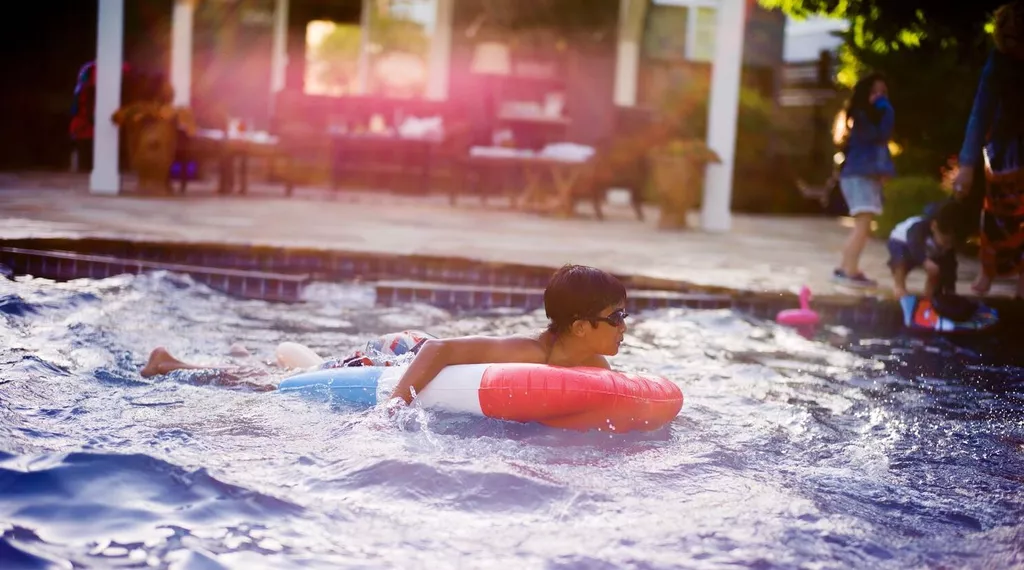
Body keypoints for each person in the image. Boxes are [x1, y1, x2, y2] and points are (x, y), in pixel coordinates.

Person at [140, 265, 630, 405]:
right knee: (276, 388)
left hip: (414, 350)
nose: (625, 327)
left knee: (298, 368)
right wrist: (396, 405)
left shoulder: (596, 366)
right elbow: (438, 349)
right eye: (618, 317)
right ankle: (173, 364)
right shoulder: (529, 352)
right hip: (402, 352)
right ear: (581, 327)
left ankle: (254, 355)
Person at [953, 0, 1024, 299]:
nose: (1012, 44)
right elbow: (980, 112)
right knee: (997, 212)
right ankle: (988, 270)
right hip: (1005, 148)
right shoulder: (998, 62)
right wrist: (966, 165)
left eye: (1018, 38)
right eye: (1006, 37)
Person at [832, 73, 896, 288]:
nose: (879, 97)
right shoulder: (862, 117)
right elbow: (881, 134)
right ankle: (848, 270)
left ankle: (846, 268)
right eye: (875, 92)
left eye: (883, 93)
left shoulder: (865, 117)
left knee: (862, 226)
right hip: (859, 178)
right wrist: (885, 107)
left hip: (861, 177)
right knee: (862, 226)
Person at [887, 200, 961, 300]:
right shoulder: (918, 228)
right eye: (945, 241)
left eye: (950, 243)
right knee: (900, 261)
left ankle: (929, 294)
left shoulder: (946, 245)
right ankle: (899, 286)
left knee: (937, 269)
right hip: (902, 242)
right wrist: (924, 260)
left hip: (925, 251)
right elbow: (914, 245)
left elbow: (951, 266)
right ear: (934, 226)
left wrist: (950, 289)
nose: (947, 246)